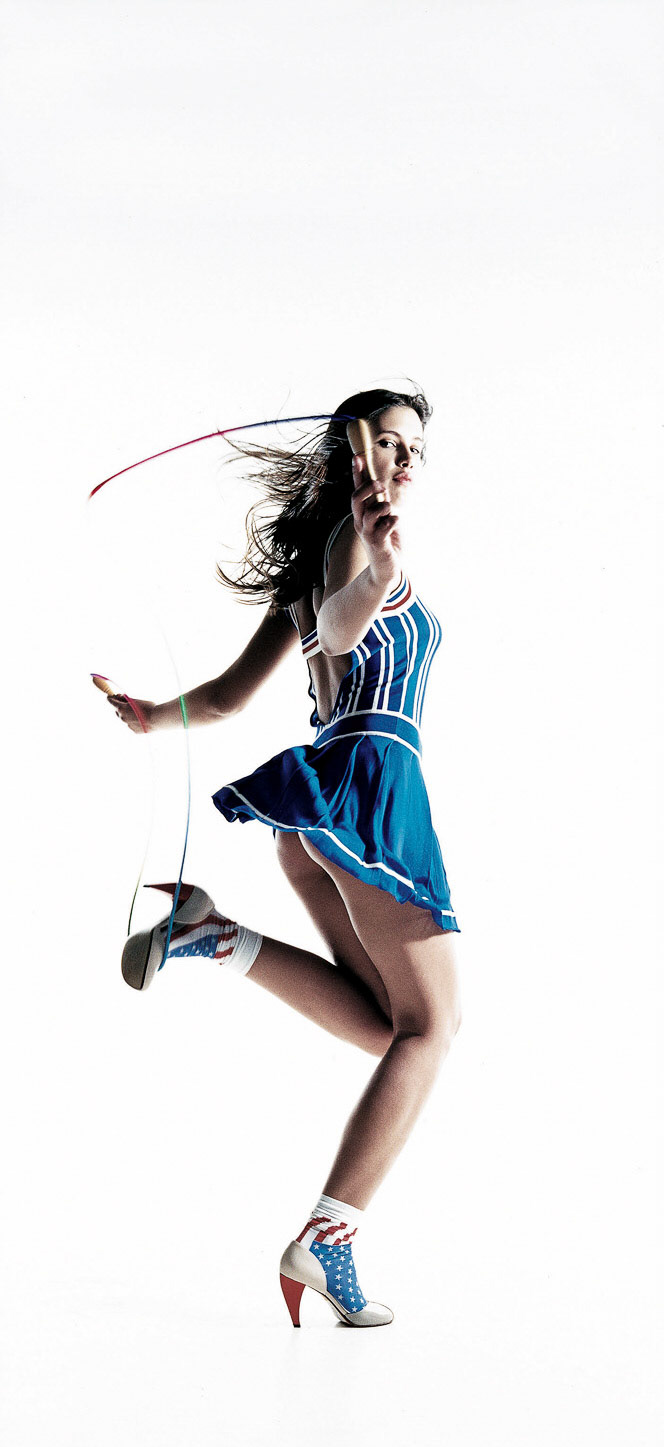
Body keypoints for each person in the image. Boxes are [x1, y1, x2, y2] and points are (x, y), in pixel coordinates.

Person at [105, 387, 462, 1328]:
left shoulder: (316, 561)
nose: (404, 460)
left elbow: (229, 698)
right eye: (389, 442)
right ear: (351, 453)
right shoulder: (356, 546)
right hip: (370, 786)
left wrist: (152, 716)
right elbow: (342, 629)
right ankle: (329, 1234)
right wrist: (383, 570)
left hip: (316, 815)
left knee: (391, 1033)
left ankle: (214, 937)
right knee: (434, 1029)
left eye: (415, 449)